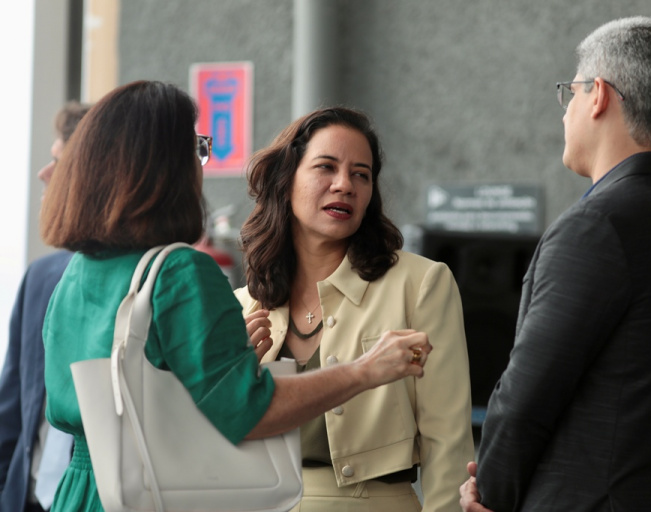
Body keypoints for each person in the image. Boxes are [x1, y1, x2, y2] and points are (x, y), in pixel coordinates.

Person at [37, 81, 432, 512]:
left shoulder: (75, 273)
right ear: (161, 164)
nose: (200, 163)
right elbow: (249, 410)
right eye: (195, 147)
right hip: (152, 495)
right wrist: (365, 370)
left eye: (362, 174)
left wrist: (226, 360)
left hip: (81, 492)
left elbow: (98, 401)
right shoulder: (180, 271)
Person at [460, 16, 651, 512]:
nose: (565, 112)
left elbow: (523, 400)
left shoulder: (596, 227)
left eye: (570, 93)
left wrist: (490, 498)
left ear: (599, 96)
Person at [235, 106, 474, 511]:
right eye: (326, 167)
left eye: (361, 174)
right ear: (285, 180)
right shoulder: (243, 305)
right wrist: (234, 379)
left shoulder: (421, 284)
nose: (345, 185)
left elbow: (447, 439)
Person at [0, 101, 90, 512]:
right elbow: (12, 407)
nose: (43, 173)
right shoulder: (40, 276)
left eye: (60, 161)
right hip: (25, 498)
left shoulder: (151, 279)